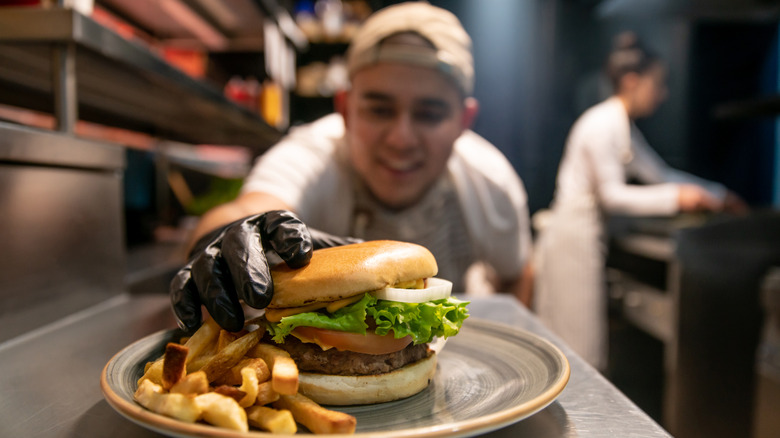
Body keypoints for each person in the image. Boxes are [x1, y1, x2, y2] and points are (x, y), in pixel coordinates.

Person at [170, 2, 532, 333]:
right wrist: (218, 240)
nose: (401, 139)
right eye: (379, 109)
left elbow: (518, 273)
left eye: (430, 114)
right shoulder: (313, 154)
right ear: (344, 109)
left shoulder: (490, 182)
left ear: (463, 122)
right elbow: (247, 209)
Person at [532, 32, 746, 371]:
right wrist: (678, 198)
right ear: (632, 82)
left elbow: (659, 173)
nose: (663, 94)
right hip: (571, 240)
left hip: (582, 237)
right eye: (658, 83)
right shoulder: (602, 124)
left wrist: (717, 194)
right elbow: (613, 196)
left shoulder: (622, 127)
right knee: (579, 350)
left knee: (575, 346)